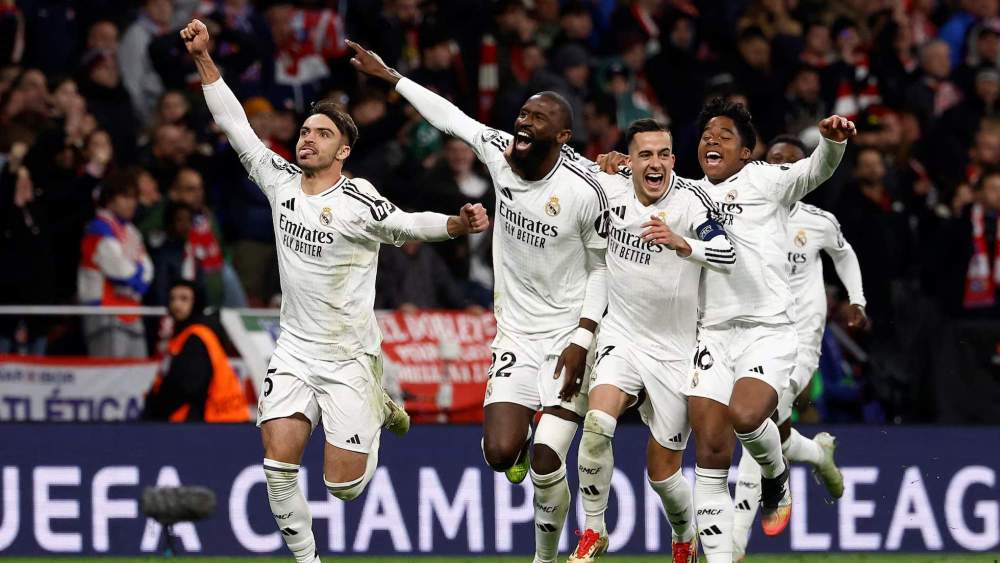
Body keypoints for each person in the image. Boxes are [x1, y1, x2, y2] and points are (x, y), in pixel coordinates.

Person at [181, 19, 488, 563]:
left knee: (342, 488)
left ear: (343, 151)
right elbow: (234, 123)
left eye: (321, 133)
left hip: (349, 357)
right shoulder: (277, 181)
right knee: (277, 468)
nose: (306, 137)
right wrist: (205, 57)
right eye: (304, 130)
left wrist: (456, 226)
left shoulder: (359, 200)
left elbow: (407, 226)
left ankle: (375, 405)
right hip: (296, 350)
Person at [349, 40, 609, 563]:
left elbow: (602, 268)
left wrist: (583, 338)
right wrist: (392, 77)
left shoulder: (586, 188)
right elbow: (450, 117)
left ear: (562, 137)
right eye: (523, 113)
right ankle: (519, 450)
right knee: (499, 454)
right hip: (514, 330)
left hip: (569, 336)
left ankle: (544, 557)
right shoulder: (498, 152)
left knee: (543, 458)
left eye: (538, 118)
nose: (524, 121)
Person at [597, 99, 854, 563]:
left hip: (768, 329)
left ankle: (775, 476)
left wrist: (832, 142)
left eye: (725, 135)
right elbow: (640, 180)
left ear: (746, 153)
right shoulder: (687, 192)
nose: (711, 139)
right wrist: (616, 164)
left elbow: (816, 169)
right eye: (706, 134)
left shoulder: (768, 180)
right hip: (711, 336)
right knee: (711, 457)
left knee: (747, 415)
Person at [570, 119, 735, 563]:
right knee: (598, 424)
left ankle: (684, 537)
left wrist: (684, 245)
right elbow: (567, 167)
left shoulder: (691, 202)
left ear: (673, 161)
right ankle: (594, 530)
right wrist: (603, 162)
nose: (655, 162)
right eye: (645, 154)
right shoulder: (612, 186)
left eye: (663, 154)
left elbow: (727, 254)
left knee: (663, 476)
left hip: (677, 352)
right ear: (631, 160)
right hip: (621, 337)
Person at [731, 135, 867, 560]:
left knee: (763, 418)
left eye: (793, 164)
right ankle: (817, 454)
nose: (784, 170)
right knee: (768, 429)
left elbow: (844, 255)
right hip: (751, 332)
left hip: (799, 338)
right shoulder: (744, 217)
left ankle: (733, 544)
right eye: (776, 161)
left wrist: (856, 299)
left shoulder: (818, 221)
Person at [142, 280, 249, 422]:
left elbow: (188, 387)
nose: (176, 304)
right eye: (172, 298)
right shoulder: (185, 334)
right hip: (221, 419)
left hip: (211, 422)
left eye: (184, 298)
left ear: (196, 302)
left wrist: (155, 411)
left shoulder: (196, 337)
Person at [78, 170, 154, 358]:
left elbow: (147, 268)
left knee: (136, 376)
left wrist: (137, 277)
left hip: (131, 310)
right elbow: (120, 271)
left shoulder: (131, 231)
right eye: (125, 197)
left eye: (135, 197)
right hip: (104, 311)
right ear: (110, 199)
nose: (132, 203)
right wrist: (136, 276)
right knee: (109, 376)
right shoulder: (98, 228)